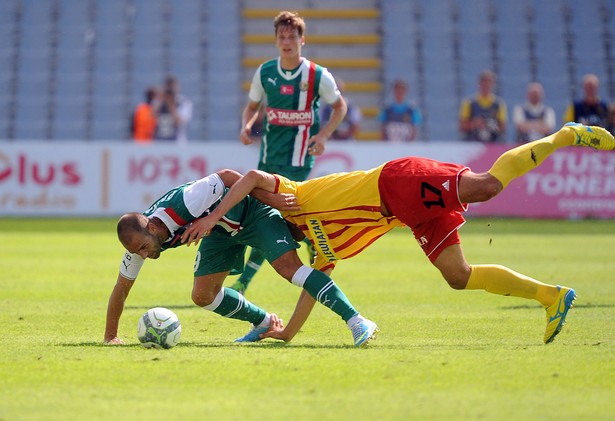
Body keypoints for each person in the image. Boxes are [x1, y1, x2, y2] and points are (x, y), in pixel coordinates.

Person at [182, 122, 615, 344]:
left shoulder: (296, 197)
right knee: (457, 276)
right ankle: (551, 297)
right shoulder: (321, 245)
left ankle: (564, 135)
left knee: (485, 186)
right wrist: (288, 334)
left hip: (399, 181)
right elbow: (315, 286)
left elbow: (253, 175)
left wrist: (246, 207)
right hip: (410, 215)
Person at [103, 169, 377, 347]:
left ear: (152, 227)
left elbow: (230, 177)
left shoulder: (185, 202)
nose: (143, 255)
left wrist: (268, 200)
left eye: (142, 248)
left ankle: (356, 321)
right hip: (221, 230)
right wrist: (110, 336)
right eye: (138, 252)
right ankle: (264, 322)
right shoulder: (141, 240)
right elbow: (121, 288)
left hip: (252, 214)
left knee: (288, 269)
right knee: (203, 295)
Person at [232, 11, 348, 295]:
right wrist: (246, 126)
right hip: (268, 159)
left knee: (271, 215)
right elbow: (252, 106)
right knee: (282, 216)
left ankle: (243, 282)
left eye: (292, 37)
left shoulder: (317, 75)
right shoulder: (266, 72)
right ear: (275, 41)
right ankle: (318, 249)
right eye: (282, 37)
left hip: (299, 159)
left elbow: (340, 107)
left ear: (302, 40)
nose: (287, 42)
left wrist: (323, 136)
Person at [459, 70, 507, 142]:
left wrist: (491, 125)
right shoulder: (469, 103)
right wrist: (474, 124)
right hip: (472, 142)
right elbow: (462, 127)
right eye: (484, 81)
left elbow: (503, 128)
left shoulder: (499, 104)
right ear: (479, 83)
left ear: (493, 84)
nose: (486, 84)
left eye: (489, 82)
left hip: (493, 143)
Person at [155, 75, 193, 143]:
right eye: (168, 87)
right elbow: (151, 116)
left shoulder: (184, 102)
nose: (170, 90)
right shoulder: (159, 100)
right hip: (160, 141)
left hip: (177, 142)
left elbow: (179, 122)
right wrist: (161, 100)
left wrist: (170, 103)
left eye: (172, 87)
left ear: (178, 87)